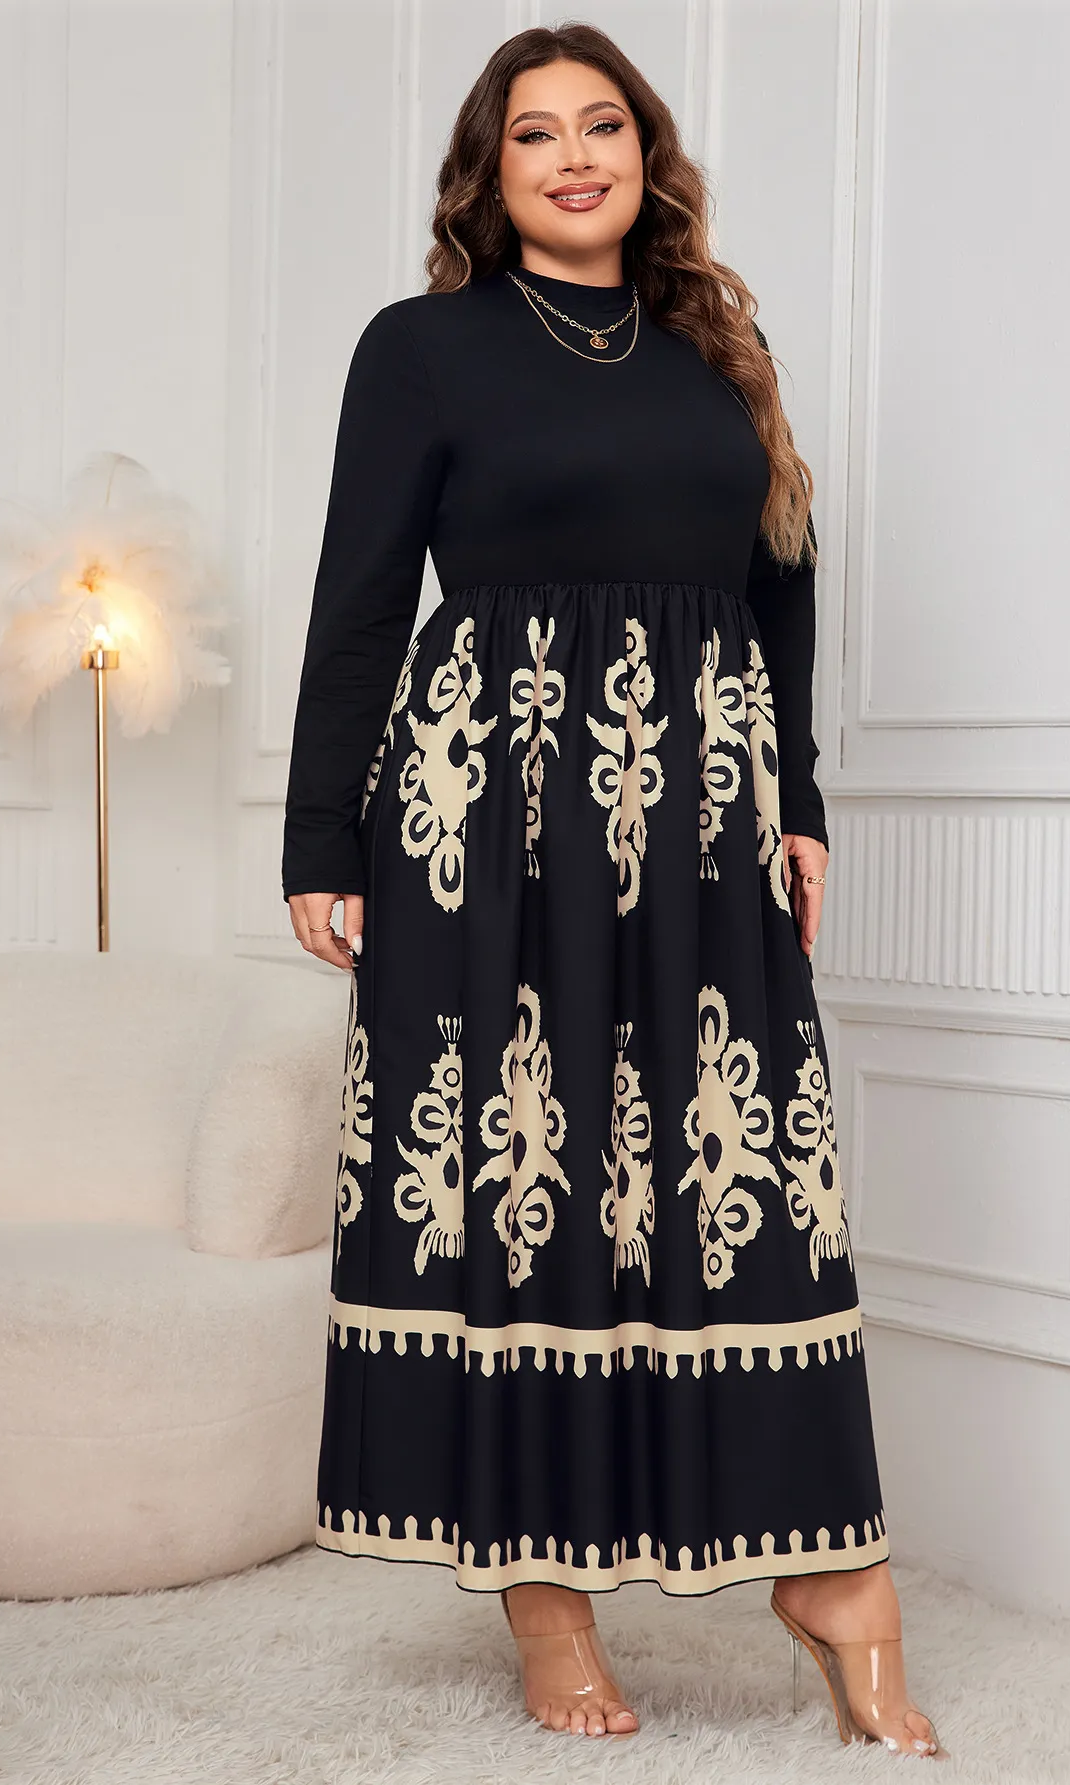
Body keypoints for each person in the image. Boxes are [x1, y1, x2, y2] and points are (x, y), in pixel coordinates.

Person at [281, 21, 939, 1759]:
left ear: (647, 155)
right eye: (534, 135)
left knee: (751, 1171)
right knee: (528, 1174)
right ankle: (547, 1597)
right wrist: (321, 838)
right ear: (488, 176)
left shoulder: (719, 346)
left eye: (603, 126)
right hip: (487, 811)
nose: (574, 156)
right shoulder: (421, 349)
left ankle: (836, 1577)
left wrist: (797, 803)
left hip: (706, 811)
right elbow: (361, 603)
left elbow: (780, 586)